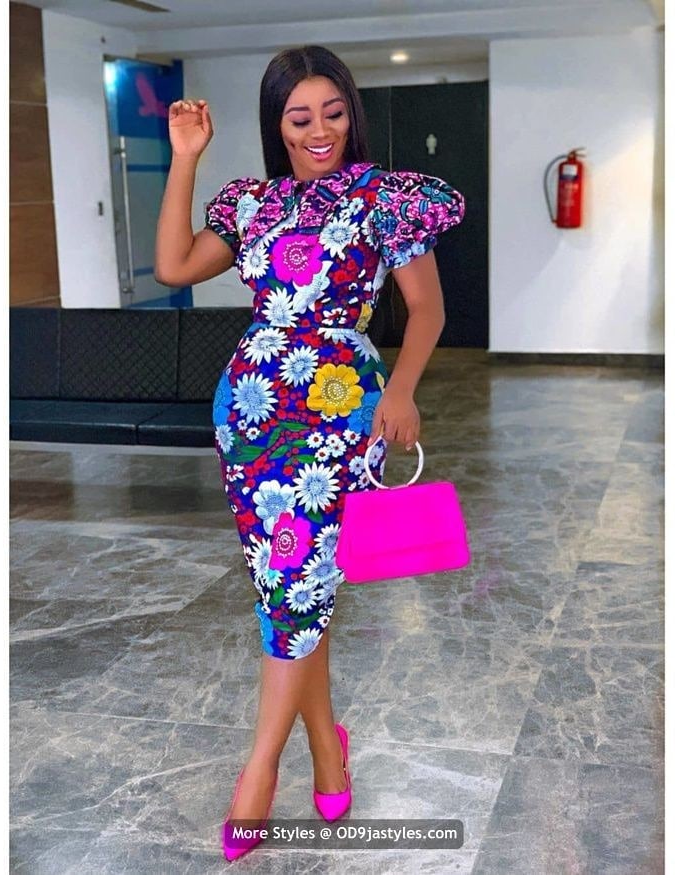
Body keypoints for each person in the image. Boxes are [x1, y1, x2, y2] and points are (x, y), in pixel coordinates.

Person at [155, 44, 464, 861]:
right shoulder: (253, 204)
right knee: (293, 588)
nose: (319, 129)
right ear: (279, 125)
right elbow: (173, 264)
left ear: (350, 115)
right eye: (300, 117)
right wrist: (185, 158)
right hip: (252, 413)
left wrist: (401, 390)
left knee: (299, 586)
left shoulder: (382, 199)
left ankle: (259, 770)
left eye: (332, 112)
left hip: (340, 413)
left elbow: (428, 309)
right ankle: (327, 745)